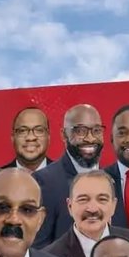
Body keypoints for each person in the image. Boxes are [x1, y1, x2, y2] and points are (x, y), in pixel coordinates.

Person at [33, 103, 105, 247]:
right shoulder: (44, 182)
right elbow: (38, 251)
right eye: (81, 131)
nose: (90, 138)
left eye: (96, 130)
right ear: (64, 134)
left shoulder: (113, 179)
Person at [3, 106, 53, 172]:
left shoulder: (67, 177)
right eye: (23, 131)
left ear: (48, 136)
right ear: (13, 137)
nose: (31, 137)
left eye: (38, 130)